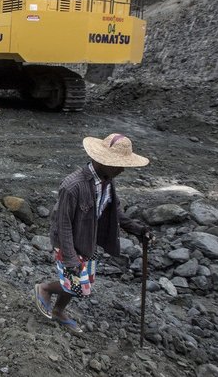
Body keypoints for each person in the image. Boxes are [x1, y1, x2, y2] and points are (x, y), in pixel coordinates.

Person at [34, 133, 154, 334]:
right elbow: (63, 224)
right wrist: (71, 258)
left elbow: (116, 213)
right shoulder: (73, 186)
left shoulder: (107, 181)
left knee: (83, 281)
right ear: (103, 161)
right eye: (118, 165)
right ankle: (45, 288)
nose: (122, 169)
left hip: (87, 237)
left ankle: (58, 310)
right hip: (67, 240)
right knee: (76, 281)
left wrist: (139, 230)